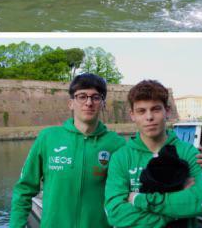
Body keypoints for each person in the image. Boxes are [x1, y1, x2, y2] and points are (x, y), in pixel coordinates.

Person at [9, 74, 127, 228]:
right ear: (71, 103)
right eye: (81, 96)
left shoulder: (116, 144)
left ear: (103, 104)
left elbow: (124, 196)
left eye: (96, 97)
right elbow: (24, 190)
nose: (89, 102)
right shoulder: (48, 138)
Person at [104, 80, 202, 227]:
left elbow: (199, 203)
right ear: (132, 115)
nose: (149, 117)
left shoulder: (189, 152)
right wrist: (172, 215)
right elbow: (115, 214)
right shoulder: (121, 157)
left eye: (155, 109)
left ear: (168, 111)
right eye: (141, 111)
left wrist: (139, 200)